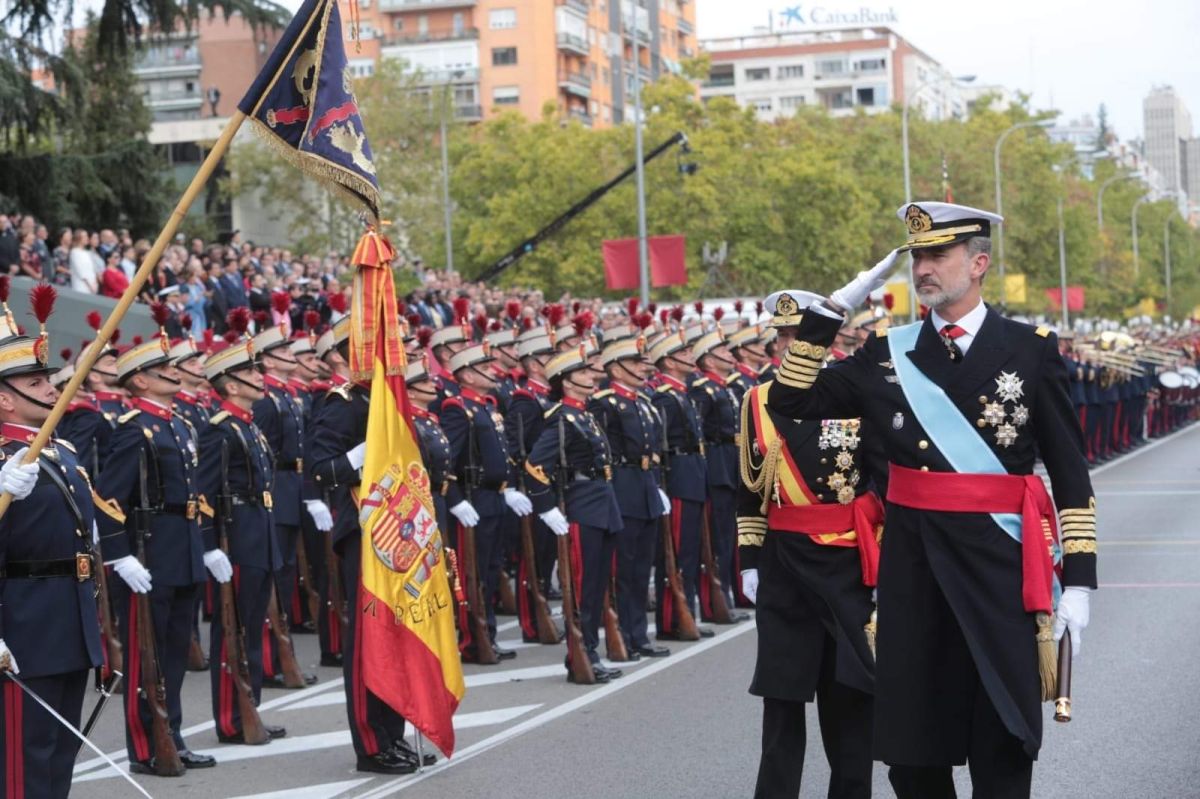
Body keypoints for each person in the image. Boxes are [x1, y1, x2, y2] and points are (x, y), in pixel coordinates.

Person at [767, 201, 1096, 798]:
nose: (923, 268)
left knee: (1003, 742)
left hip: (1000, 571)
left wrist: (1078, 580)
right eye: (917, 256)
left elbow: (1070, 475)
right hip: (914, 572)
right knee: (912, 753)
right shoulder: (886, 355)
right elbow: (790, 401)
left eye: (937, 255)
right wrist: (829, 313)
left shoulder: (1030, 350)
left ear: (978, 264)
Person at [738, 289, 883, 799]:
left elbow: (882, 480)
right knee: (781, 704)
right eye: (781, 337)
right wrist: (749, 559)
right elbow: (750, 488)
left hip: (846, 566)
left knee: (851, 704)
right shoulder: (757, 400)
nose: (787, 346)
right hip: (784, 569)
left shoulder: (855, 391)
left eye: (797, 335)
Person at [309, 317, 430, 774]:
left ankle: (394, 734)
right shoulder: (343, 404)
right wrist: (361, 457)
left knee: (398, 638)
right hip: (367, 532)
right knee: (368, 643)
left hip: (399, 531)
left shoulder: (387, 401)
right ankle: (371, 743)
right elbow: (319, 468)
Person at [94, 333, 216, 773]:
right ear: (141, 381)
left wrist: (203, 545)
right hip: (149, 553)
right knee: (147, 655)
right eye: (163, 369)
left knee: (173, 653)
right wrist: (119, 556)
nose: (174, 372)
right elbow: (108, 499)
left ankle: (173, 736)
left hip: (180, 549)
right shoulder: (134, 429)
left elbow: (194, 494)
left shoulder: (179, 424)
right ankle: (146, 747)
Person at [0, 311, 103, 797]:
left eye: (46, 378)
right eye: (34, 381)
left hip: (69, 621)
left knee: (61, 753)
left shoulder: (60, 451)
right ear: (4, 398)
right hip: (22, 629)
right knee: (24, 760)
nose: (50, 387)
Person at [196, 324, 287, 744]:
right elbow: (205, 493)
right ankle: (231, 719)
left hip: (259, 533)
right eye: (251, 373)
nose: (260, 377)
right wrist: (211, 546)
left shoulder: (247, 425)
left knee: (252, 628)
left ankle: (250, 709)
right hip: (237, 535)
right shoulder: (220, 429)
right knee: (232, 631)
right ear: (230, 383)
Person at [524, 345, 625, 683]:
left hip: (602, 503)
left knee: (597, 586)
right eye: (582, 372)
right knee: (582, 587)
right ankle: (581, 654)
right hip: (581, 505)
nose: (590, 375)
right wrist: (546, 507)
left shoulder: (584, 414)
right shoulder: (561, 420)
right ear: (566, 381)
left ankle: (590, 651)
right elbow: (535, 467)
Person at [440, 341, 532, 662]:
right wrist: (453, 499)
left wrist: (507, 489)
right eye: (485, 366)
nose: (493, 371)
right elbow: (447, 459)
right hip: (472, 498)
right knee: (471, 572)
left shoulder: (487, 406)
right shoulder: (456, 408)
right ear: (466, 373)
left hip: (494, 497)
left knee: (491, 570)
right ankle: (471, 639)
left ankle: (487, 634)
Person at [588, 333, 672, 659]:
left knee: (640, 570)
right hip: (622, 487)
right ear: (616, 368)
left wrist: (657, 486)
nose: (642, 367)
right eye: (635, 362)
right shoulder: (605, 403)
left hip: (645, 486)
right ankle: (621, 634)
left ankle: (639, 634)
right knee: (623, 570)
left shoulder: (644, 402)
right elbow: (602, 454)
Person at [250, 320, 316, 688]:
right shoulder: (266, 399)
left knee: (285, 577)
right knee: (273, 581)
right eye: (286, 351)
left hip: (292, 489)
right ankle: (270, 662)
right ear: (269, 361)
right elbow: (264, 455)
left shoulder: (285, 395)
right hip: (277, 490)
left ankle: (280, 657)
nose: (293, 355)